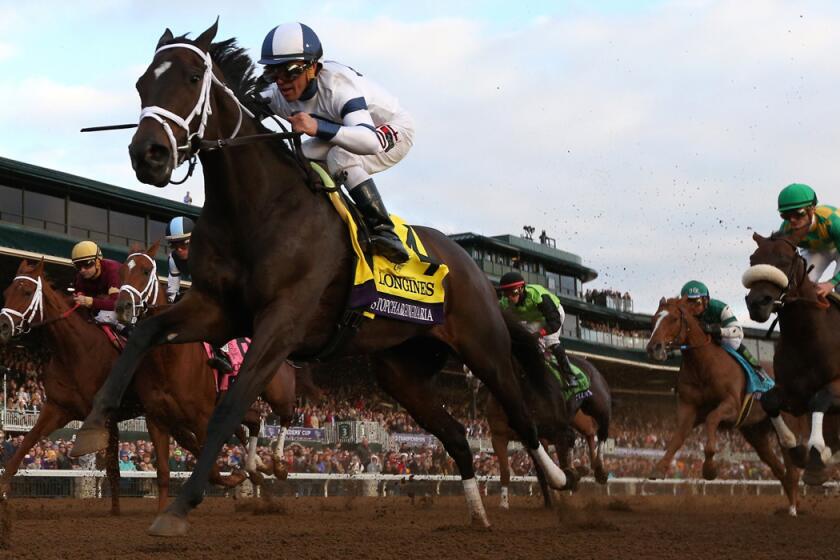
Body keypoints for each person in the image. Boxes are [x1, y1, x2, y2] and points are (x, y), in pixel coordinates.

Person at [258, 22, 412, 263]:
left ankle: (384, 230)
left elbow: (370, 142)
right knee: (295, 158)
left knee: (340, 157)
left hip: (391, 129)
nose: (282, 81)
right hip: (347, 135)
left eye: (291, 70)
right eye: (273, 72)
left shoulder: (337, 86)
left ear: (313, 68)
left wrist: (316, 127)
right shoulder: (277, 94)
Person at [164, 217, 232, 374]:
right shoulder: (173, 260)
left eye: (183, 244)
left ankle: (222, 354)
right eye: (175, 245)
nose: (179, 250)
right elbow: (172, 288)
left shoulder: (208, 253)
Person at [498, 271, 577, 388]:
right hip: (532, 320)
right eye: (506, 293)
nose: (510, 297)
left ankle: (570, 376)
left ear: (521, 289)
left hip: (553, 315)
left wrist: (540, 333)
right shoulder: (504, 303)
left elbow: (554, 322)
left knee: (551, 342)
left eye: (513, 292)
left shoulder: (537, 296)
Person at [680, 280, 769, 380]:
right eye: (688, 304)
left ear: (706, 300)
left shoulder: (719, 307)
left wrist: (719, 331)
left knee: (733, 342)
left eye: (697, 303)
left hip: (722, 338)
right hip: (700, 343)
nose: (692, 309)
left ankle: (755, 367)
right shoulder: (683, 315)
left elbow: (738, 331)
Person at [776, 183, 840, 298]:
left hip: (837, 246)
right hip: (816, 250)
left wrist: (831, 283)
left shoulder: (833, 222)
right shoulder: (785, 229)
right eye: (785, 215)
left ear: (813, 209)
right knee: (800, 286)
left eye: (799, 213)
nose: (792, 220)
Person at [71, 241, 124, 331]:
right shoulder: (79, 278)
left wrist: (91, 301)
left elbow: (117, 304)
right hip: (102, 306)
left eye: (87, 264)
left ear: (98, 262)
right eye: (78, 266)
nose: (82, 270)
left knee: (104, 317)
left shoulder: (113, 271)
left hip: (128, 304)